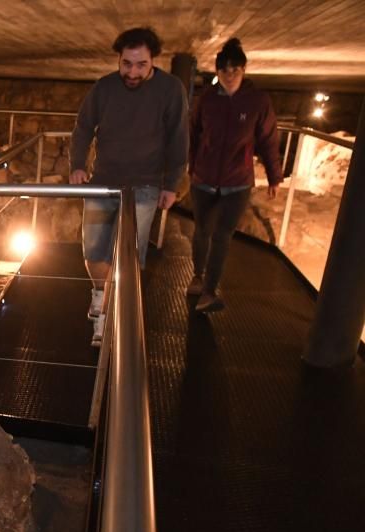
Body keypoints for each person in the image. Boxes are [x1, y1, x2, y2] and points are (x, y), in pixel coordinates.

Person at [71, 26, 188, 346]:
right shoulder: (105, 88)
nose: (133, 72)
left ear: (153, 61)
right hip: (104, 181)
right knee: (94, 249)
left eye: (141, 65)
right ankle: (99, 293)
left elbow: (179, 138)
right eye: (126, 64)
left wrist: (171, 184)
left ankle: (107, 319)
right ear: (118, 59)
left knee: (131, 255)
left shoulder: (171, 89)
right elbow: (83, 127)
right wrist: (78, 165)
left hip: (146, 184)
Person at [188, 37, 282, 313]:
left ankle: (209, 291)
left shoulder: (257, 101)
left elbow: (268, 139)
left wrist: (274, 175)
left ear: (243, 71)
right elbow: (193, 134)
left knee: (223, 235)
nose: (230, 76)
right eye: (224, 70)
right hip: (203, 179)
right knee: (202, 230)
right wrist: (192, 167)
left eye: (235, 70)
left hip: (237, 181)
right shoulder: (206, 100)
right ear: (217, 72)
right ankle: (197, 274)